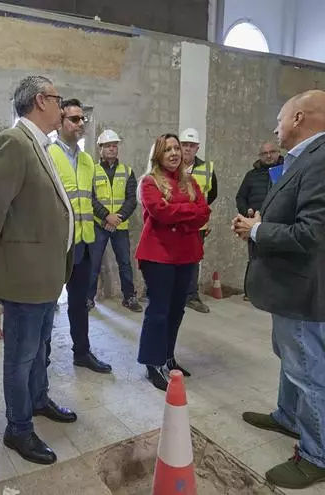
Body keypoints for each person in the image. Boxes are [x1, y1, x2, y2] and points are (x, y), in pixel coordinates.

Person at [232, 90, 325, 489]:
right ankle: (287, 416)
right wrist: (259, 223)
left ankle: (316, 457)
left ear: (299, 118)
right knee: (289, 356)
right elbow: (293, 215)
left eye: (280, 120)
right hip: (288, 283)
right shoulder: (303, 160)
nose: (276, 128)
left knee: (307, 370)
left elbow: (311, 234)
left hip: (303, 287)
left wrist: (258, 230)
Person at [0, 75, 79, 466]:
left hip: (45, 276)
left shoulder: (39, 144)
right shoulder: (14, 143)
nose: (61, 106)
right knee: (20, 357)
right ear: (40, 101)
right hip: (24, 277)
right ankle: (17, 428)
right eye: (58, 99)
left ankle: (37, 399)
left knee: (40, 349)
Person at [136, 134, 211, 391]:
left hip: (186, 254)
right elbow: (161, 212)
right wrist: (189, 213)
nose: (174, 153)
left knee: (177, 309)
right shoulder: (149, 182)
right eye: (167, 149)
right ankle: (152, 362)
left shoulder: (190, 182)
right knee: (159, 310)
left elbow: (204, 212)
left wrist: (180, 214)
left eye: (176, 148)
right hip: (158, 255)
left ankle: (168, 356)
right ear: (158, 154)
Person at [46, 99, 112, 374]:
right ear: (60, 123)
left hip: (83, 244)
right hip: (56, 245)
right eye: (74, 119)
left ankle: (82, 353)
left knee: (79, 303)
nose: (80, 123)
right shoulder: (48, 154)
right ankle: (42, 358)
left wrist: (105, 217)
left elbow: (89, 198)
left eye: (82, 119)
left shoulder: (86, 160)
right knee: (47, 305)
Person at [88, 129, 143, 313]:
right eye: (108, 146)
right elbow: (90, 198)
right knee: (93, 263)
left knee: (125, 263)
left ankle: (129, 297)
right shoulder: (92, 171)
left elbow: (132, 199)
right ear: (100, 149)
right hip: (99, 224)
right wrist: (106, 216)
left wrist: (117, 218)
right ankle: (88, 298)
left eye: (114, 145)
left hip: (120, 225)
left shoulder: (127, 171)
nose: (112, 149)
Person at [236, 142, 285, 300]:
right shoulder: (251, 175)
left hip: (279, 225)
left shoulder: (287, 171)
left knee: (279, 259)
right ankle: (250, 293)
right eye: (264, 153)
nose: (268, 156)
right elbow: (240, 197)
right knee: (255, 258)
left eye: (272, 152)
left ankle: (275, 292)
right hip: (255, 225)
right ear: (260, 156)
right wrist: (247, 213)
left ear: (279, 152)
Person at [179, 128, 217, 314]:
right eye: (184, 145)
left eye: (191, 145)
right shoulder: (171, 166)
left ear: (197, 148)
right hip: (175, 223)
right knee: (171, 259)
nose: (187, 148)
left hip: (197, 225)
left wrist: (199, 213)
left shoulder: (207, 168)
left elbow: (213, 193)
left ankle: (191, 296)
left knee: (193, 260)